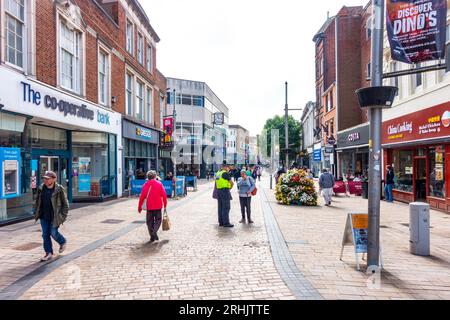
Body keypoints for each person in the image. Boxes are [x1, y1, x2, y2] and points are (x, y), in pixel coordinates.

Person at [34, 171, 69, 262]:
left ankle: (62, 241)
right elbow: (38, 201)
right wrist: (36, 211)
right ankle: (48, 253)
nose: (45, 180)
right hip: (43, 216)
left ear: (54, 179)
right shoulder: (41, 188)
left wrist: (62, 217)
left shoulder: (59, 189)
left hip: (55, 217)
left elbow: (65, 205)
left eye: (47, 178)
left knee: (53, 233)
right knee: (45, 235)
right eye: (44, 178)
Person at [138, 171, 168, 242]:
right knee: (158, 220)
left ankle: (152, 234)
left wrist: (139, 207)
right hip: (158, 206)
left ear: (148, 177)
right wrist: (165, 205)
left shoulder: (145, 185)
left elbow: (142, 197)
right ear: (155, 176)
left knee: (149, 222)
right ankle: (154, 232)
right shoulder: (159, 184)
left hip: (149, 206)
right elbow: (164, 195)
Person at [215, 162, 234, 228]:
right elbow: (232, 183)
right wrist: (230, 187)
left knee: (220, 207)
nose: (228, 168)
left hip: (219, 191)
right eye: (227, 167)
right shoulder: (225, 173)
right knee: (226, 207)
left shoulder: (218, 173)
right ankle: (226, 223)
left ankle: (221, 222)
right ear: (225, 167)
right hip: (225, 191)